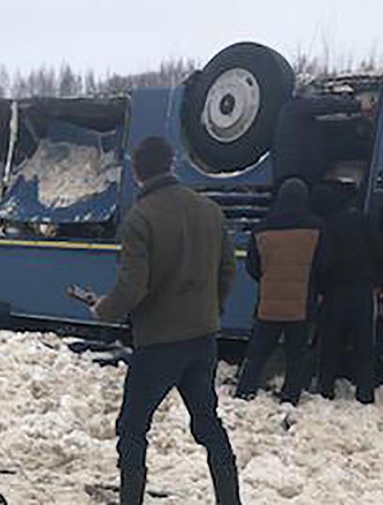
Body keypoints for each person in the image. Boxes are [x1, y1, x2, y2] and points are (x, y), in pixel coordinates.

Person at [91, 136, 240, 505]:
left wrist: (103, 310)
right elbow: (228, 270)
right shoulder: (209, 210)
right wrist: (212, 310)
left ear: (138, 174)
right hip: (203, 339)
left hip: (158, 344)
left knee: (132, 427)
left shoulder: (141, 218)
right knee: (208, 423)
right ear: (171, 166)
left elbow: (132, 287)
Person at [234, 177, 326, 406]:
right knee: (296, 355)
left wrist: (269, 280)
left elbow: (252, 267)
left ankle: (245, 390)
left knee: (257, 353)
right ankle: (290, 395)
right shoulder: (317, 227)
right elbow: (324, 264)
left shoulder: (262, 228)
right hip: (301, 304)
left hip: (269, 303)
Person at [312, 182, 383, 404]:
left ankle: (326, 388)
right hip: (363, 289)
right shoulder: (362, 220)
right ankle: (365, 392)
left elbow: (323, 261)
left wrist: (320, 288)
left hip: (335, 289)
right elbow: (380, 249)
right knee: (364, 341)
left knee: (331, 340)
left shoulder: (325, 225)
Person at [272, 95, 374, 186]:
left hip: (306, 179)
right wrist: (357, 104)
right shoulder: (291, 110)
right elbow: (325, 105)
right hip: (300, 179)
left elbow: (329, 129)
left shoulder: (298, 123)